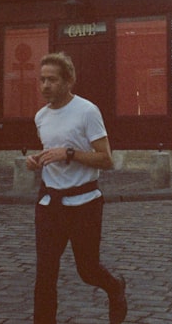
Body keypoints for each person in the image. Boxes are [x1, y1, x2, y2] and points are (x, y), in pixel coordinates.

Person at [25, 52, 127, 324]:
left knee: (88, 270)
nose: (45, 86)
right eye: (42, 80)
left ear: (69, 81)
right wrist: (37, 160)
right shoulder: (41, 116)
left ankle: (115, 287)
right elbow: (52, 151)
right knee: (45, 274)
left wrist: (69, 154)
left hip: (85, 204)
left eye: (52, 80)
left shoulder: (87, 111)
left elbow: (106, 159)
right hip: (50, 205)